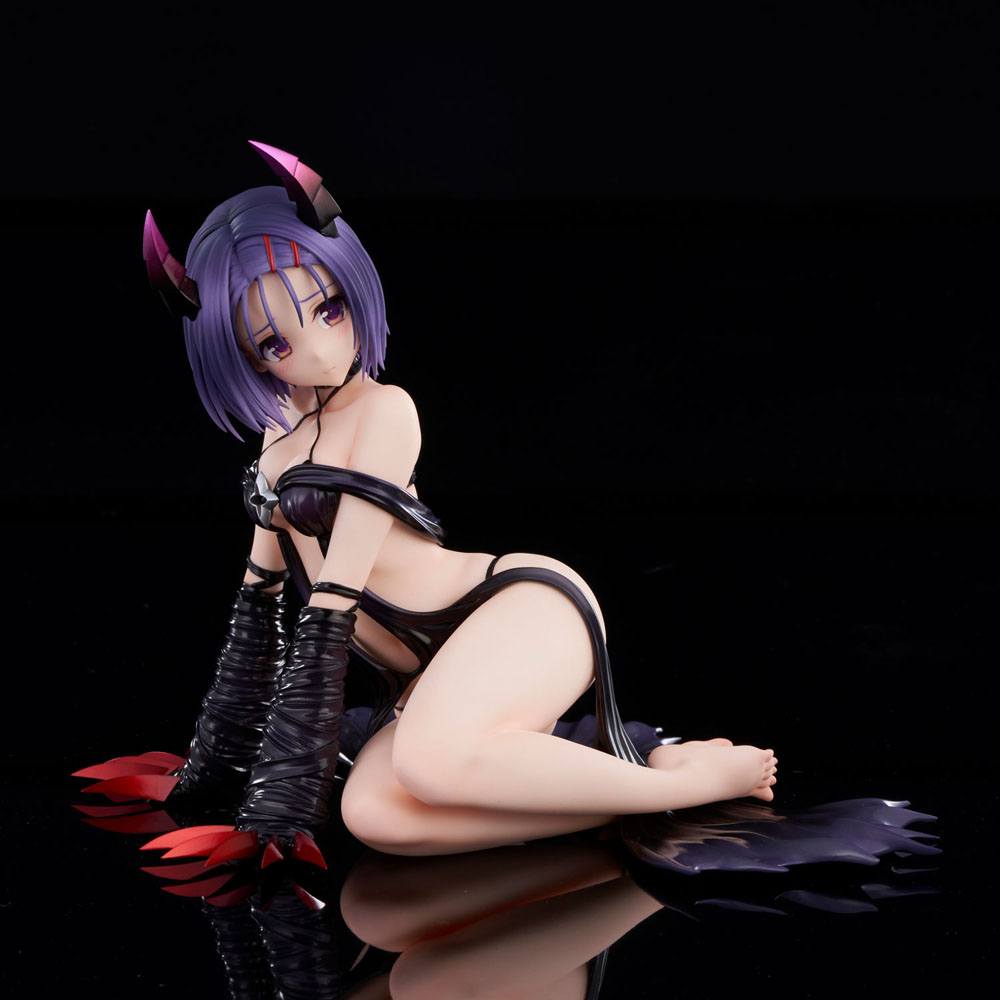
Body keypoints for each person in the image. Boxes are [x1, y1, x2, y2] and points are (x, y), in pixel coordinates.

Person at [74, 142, 936, 882]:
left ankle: (696, 782)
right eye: (274, 341)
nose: (321, 349)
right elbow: (256, 613)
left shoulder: (385, 412)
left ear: (352, 284)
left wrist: (272, 817)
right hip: (429, 672)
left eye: (328, 308)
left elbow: (330, 610)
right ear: (242, 357)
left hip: (516, 611)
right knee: (377, 817)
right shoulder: (276, 443)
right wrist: (202, 776)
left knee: (428, 762)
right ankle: (625, 790)